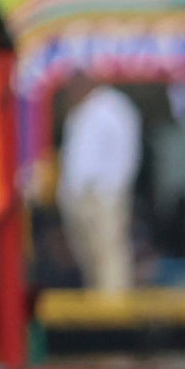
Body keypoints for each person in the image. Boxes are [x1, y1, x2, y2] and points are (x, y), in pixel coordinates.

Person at [59, 84, 142, 305]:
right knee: (89, 256)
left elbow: (127, 153)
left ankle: (113, 313)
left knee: (109, 252)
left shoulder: (112, 107)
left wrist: (111, 189)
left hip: (103, 195)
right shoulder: (79, 112)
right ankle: (99, 305)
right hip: (79, 197)